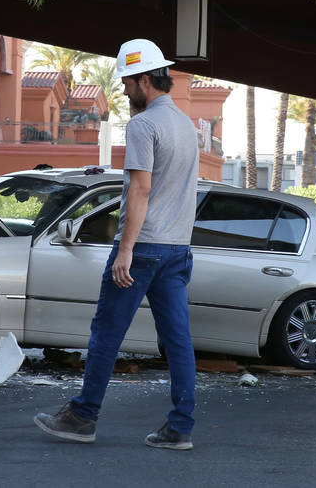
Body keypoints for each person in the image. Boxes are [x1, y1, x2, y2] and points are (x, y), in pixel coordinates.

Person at [34, 38, 200, 450]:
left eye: (128, 82)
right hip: (177, 249)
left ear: (145, 80)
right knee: (178, 339)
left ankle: (83, 416)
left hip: (143, 247)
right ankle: (180, 427)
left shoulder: (144, 125)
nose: (124, 91)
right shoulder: (186, 125)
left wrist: (124, 249)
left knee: (106, 332)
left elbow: (140, 190)